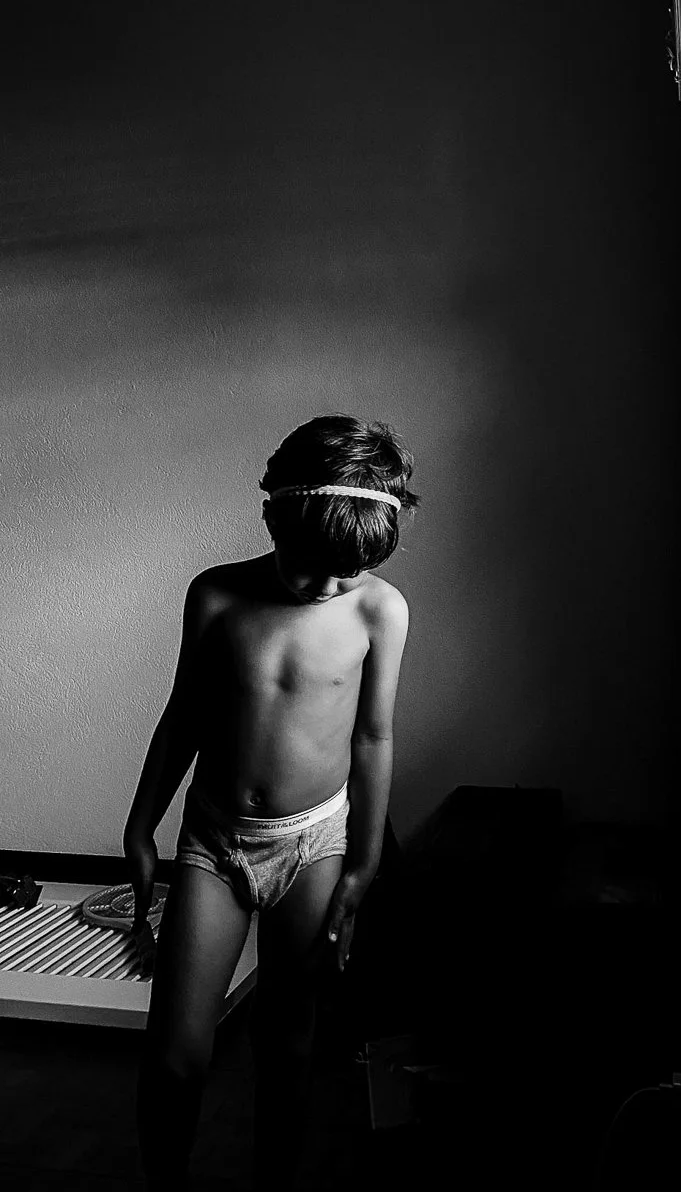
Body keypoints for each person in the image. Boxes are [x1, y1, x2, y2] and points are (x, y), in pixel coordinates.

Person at [124, 414, 418, 1191]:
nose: (324, 587)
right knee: (176, 1052)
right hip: (214, 841)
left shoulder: (379, 612)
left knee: (290, 1043)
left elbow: (373, 740)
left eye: (343, 575)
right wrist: (140, 825)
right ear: (271, 516)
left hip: (315, 842)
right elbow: (183, 712)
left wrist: (360, 868)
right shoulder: (216, 594)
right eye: (308, 567)